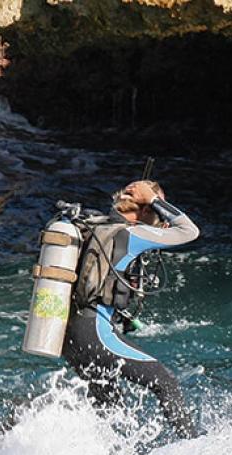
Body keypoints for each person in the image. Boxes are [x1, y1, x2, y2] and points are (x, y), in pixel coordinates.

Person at [62, 180, 200, 437]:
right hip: (94, 332)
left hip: (70, 336)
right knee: (165, 382)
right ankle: (197, 448)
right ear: (147, 208)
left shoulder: (95, 225)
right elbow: (189, 231)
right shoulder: (132, 234)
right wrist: (155, 201)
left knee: (108, 410)